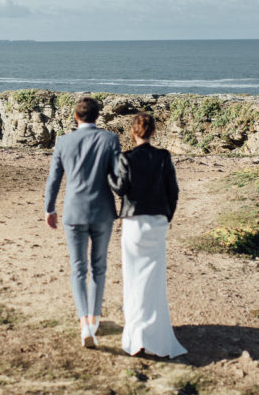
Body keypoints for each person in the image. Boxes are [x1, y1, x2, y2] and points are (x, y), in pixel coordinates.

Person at [108, 112, 187, 358]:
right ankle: (157, 337)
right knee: (154, 280)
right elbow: (172, 191)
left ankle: (137, 338)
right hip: (157, 222)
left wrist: (107, 173)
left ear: (133, 132)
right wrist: (167, 216)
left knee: (133, 279)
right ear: (153, 132)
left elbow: (120, 189)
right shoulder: (163, 157)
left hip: (134, 222)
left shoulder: (126, 158)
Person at [44, 96, 121, 348]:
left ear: (76, 117)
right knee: (99, 266)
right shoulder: (110, 139)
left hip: (74, 212)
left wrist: (49, 208)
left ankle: (83, 324)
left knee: (78, 268)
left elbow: (54, 179)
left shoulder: (63, 141)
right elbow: (118, 177)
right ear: (98, 116)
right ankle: (94, 318)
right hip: (102, 211)